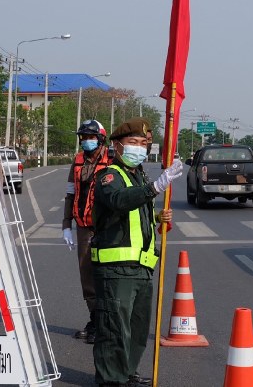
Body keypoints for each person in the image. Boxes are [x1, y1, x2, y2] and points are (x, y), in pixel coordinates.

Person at [91, 118, 183, 387]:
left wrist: (157, 217)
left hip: (141, 267)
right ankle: (111, 380)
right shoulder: (109, 176)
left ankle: (126, 373)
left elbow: (135, 216)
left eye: (143, 144)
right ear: (117, 146)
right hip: (116, 268)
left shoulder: (137, 175)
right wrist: (155, 187)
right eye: (133, 143)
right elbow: (119, 201)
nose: (139, 148)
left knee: (138, 329)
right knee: (114, 329)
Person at [62, 119, 110, 344]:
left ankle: (106, 323)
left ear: (100, 139)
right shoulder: (78, 161)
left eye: (91, 137)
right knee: (87, 277)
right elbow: (70, 194)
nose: (86, 141)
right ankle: (95, 319)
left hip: (108, 227)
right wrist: (66, 225)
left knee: (106, 275)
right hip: (83, 228)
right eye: (84, 137)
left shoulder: (113, 160)